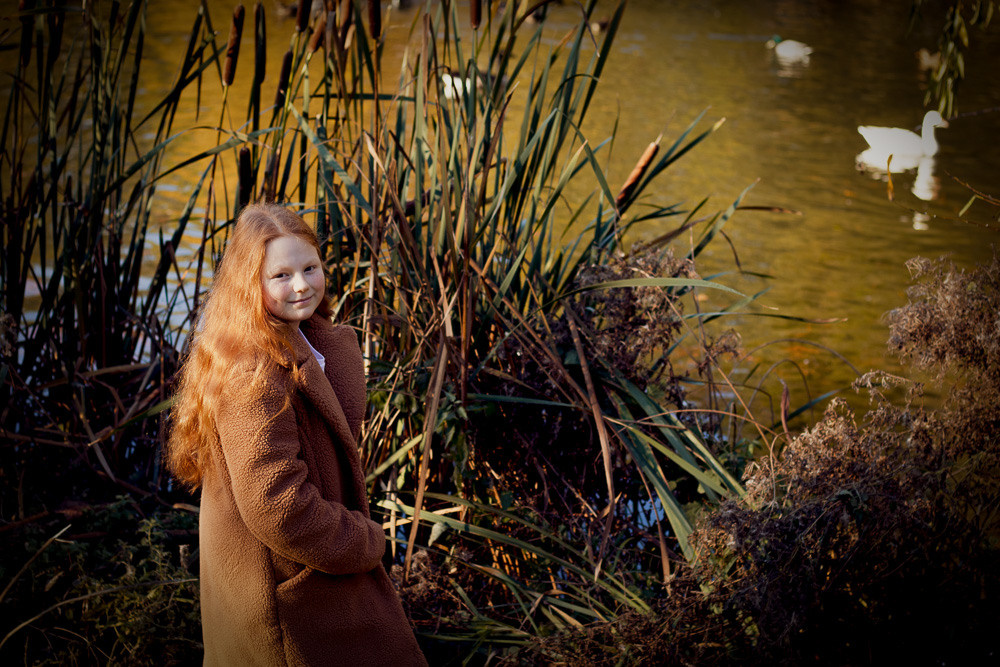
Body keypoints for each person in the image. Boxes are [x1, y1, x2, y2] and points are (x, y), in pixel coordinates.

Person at [166, 203, 426, 666]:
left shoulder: (300, 339)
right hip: (286, 591)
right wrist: (364, 541)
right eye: (281, 276)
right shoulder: (252, 372)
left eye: (310, 267)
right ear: (251, 284)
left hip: (306, 572)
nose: (302, 284)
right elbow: (277, 505)